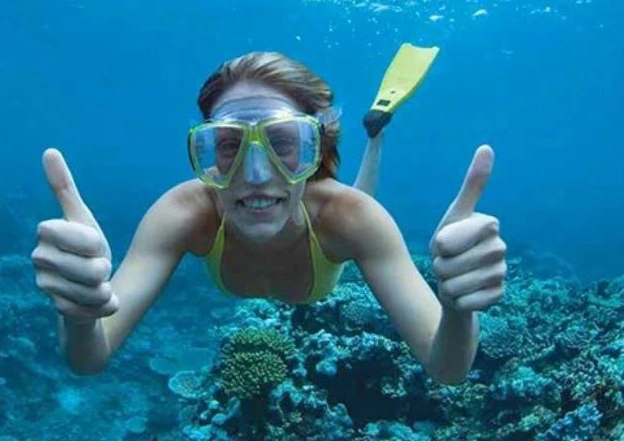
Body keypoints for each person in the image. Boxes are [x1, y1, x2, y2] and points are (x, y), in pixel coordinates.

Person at [31, 49, 507, 385]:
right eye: (229, 146)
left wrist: (457, 312)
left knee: (355, 204)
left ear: (314, 151)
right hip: (326, 215)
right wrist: (78, 315)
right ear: (205, 155)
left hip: (337, 223)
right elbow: (90, 359)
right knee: (346, 208)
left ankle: (375, 134)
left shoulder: (357, 220)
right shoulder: (182, 214)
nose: (256, 175)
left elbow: (448, 369)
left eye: (284, 143)